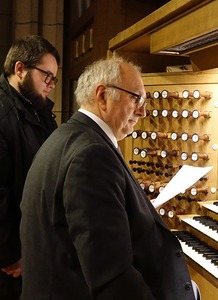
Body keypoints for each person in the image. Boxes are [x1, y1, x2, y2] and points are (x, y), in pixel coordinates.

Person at [20, 56, 198, 300]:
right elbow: (112, 277)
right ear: (102, 95)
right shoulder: (91, 154)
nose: (143, 110)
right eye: (136, 98)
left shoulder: (69, 136)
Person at [0, 35, 60, 299]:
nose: (51, 86)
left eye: (53, 79)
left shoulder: (38, 109)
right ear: (20, 69)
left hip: (35, 240)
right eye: (46, 76)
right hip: (11, 255)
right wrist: (9, 253)